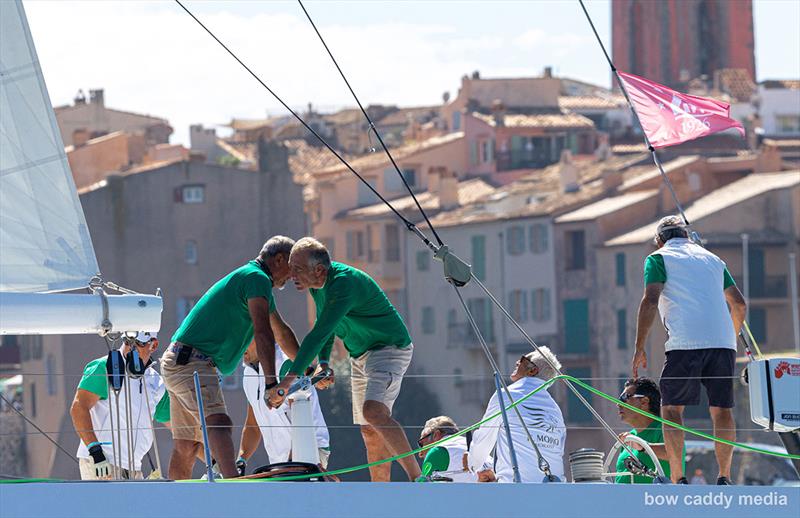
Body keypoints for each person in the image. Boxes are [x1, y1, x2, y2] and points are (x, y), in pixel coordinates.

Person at [268, 237, 420, 481]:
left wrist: (287, 382)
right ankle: (380, 495)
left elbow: (318, 334)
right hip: (360, 355)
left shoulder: (343, 284)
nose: (291, 273)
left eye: (297, 269)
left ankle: (418, 478)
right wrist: (325, 363)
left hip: (388, 349)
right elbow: (325, 325)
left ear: (319, 270)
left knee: (373, 412)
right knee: (369, 430)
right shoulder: (318, 286)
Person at [162, 236, 301, 479]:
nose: (293, 276)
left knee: (188, 444)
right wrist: (270, 382)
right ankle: (232, 484)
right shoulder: (257, 279)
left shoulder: (253, 280)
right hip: (194, 362)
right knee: (219, 422)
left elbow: (280, 331)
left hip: (178, 361)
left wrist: (306, 365)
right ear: (279, 260)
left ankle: (176, 497)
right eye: (293, 268)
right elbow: (263, 331)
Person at [632, 215, 747, 485]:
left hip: (685, 343)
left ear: (659, 240)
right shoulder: (714, 260)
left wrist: (639, 347)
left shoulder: (658, 258)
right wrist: (730, 336)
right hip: (723, 344)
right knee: (722, 409)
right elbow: (739, 304)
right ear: (686, 237)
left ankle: (678, 477)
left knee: (671, 409)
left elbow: (650, 300)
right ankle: (724, 476)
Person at [70, 332, 169, 480]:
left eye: (138, 344)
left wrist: (212, 459)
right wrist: (95, 451)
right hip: (102, 463)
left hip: (134, 467)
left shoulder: (156, 382)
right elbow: (78, 408)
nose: (130, 348)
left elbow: (178, 426)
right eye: (127, 342)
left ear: (153, 345)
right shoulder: (103, 366)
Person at [468, 347, 565, 483]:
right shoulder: (555, 410)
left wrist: (471, 465)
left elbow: (483, 442)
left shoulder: (506, 396)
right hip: (555, 488)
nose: (517, 362)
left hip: (515, 490)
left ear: (533, 370)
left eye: (523, 359)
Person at [237, 340, 330, 474]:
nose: (240, 345)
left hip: (310, 451)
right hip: (279, 462)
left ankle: (330, 481)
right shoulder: (248, 375)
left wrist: (293, 462)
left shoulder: (285, 362)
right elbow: (252, 425)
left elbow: (299, 410)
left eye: (245, 339)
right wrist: (241, 460)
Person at [615, 377, 683, 483]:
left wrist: (643, 447)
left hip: (652, 499)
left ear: (644, 402)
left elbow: (676, 453)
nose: (618, 404)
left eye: (624, 397)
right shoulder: (629, 437)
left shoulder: (665, 429)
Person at [417, 416, 493, 482]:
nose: (420, 453)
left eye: (421, 443)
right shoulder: (474, 446)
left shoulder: (437, 452)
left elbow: (422, 491)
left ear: (436, 435)